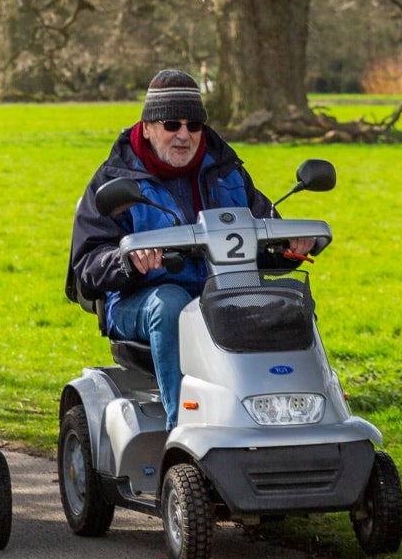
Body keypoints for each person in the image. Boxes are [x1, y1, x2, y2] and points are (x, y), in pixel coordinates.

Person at [67, 69, 272, 418]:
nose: (184, 135)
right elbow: (87, 265)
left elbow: (265, 227)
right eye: (171, 124)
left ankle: (283, 414)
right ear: (147, 128)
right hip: (141, 299)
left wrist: (294, 242)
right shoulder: (114, 181)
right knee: (173, 305)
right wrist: (128, 261)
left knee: (287, 304)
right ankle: (183, 426)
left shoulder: (227, 171)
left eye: (194, 126)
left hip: (221, 292)